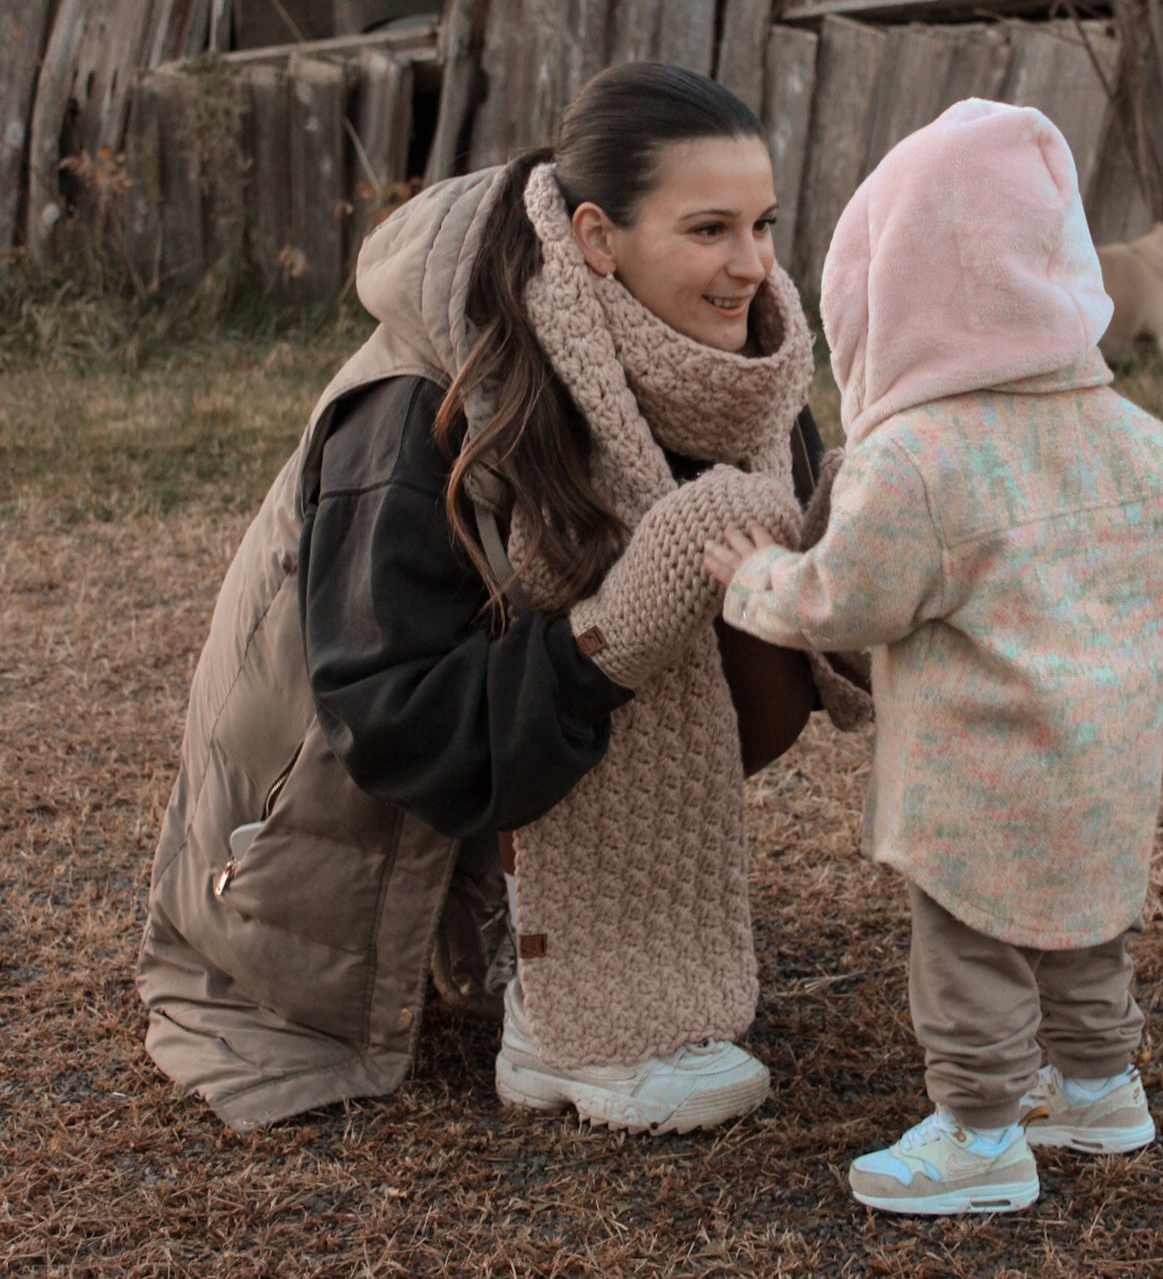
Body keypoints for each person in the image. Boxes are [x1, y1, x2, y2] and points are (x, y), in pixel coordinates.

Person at [136, 62, 869, 1135]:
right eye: (708, 229)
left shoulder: (741, 374)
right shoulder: (416, 405)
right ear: (595, 237)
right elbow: (391, 712)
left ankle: (565, 919)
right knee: (637, 582)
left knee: (744, 577)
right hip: (332, 799)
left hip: (516, 720)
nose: (751, 266)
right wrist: (612, 636)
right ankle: (556, 1004)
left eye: (762, 224)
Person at [705, 99, 1163, 1214]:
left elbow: (843, 601)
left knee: (969, 950)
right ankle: (1101, 1086)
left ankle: (978, 1133)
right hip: (1105, 758)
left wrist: (747, 577)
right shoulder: (1138, 440)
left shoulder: (919, 459)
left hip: (978, 774)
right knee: (1081, 931)